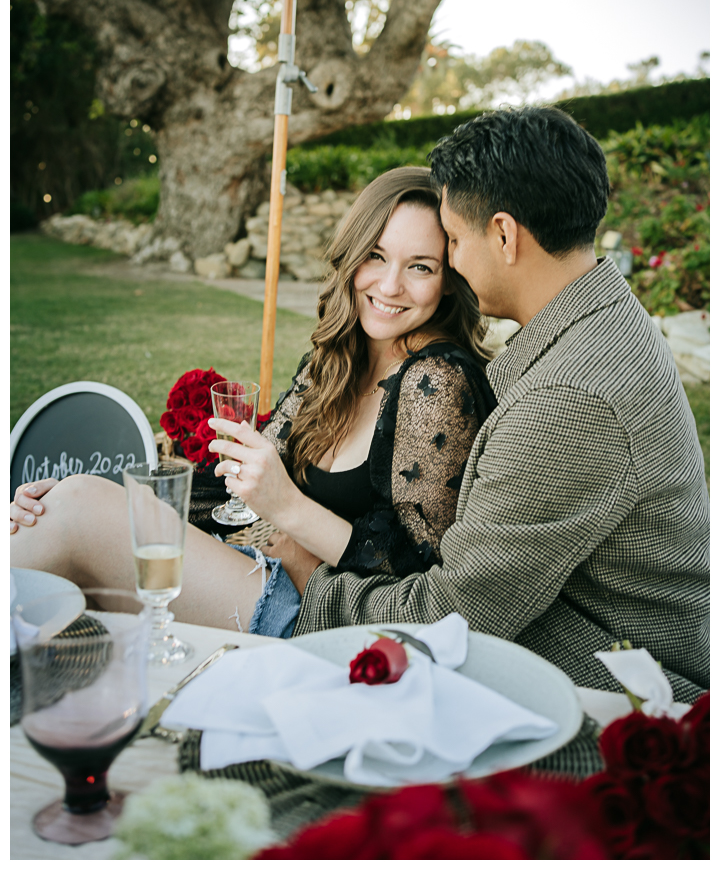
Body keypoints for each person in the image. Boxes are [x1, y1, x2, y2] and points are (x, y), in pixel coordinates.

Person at [268, 105, 708, 702]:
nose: (447, 260)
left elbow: (447, 619)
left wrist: (300, 570)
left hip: (611, 692)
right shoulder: (605, 322)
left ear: (503, 234)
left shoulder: (569, 398)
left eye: (450, 238)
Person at [11, 168, 497, 639]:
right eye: (375, 256)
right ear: (352, 257)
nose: (390, 286)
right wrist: (116, 495)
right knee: (68, 508)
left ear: (448, 279)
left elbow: (423, 572)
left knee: (76, 517)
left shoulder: (436, 381)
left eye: (420, 267)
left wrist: (287, 508)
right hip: (260, 570)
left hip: (315, 615)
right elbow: (234, 490)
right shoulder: (338, 360)